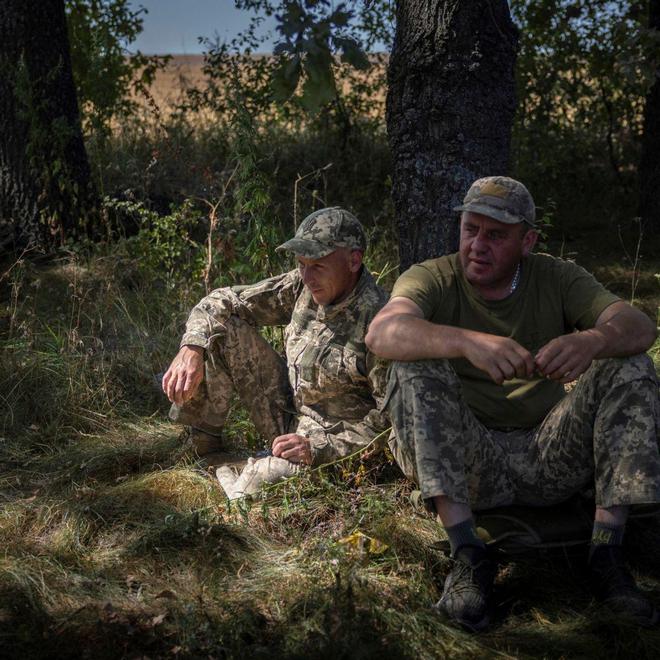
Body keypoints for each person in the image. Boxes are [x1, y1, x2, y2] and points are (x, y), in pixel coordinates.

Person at [365, 176, 660, 630]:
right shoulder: (433, 277)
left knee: (629, 363)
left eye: (496, 235)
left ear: (527, 241)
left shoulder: (556, 277)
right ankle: (466, 553)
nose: (478, 246)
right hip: (472, 464)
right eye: (471, 230)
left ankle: (607, 551)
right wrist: (465, 342)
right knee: (414, 365)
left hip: (547, 454)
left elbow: (640, 326)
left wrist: (593, 340)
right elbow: (382, 334)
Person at [162, 207, 389, 497]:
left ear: (354, 260)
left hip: (334, 452)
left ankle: (239, 478)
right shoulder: (302, 286)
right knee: (221, 329)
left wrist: (317, 449)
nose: (307, 276)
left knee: (256, 484)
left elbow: (389, 425)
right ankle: (203, 449)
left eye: (318, 265)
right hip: (290, 420)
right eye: (301, 264)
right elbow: (223, 300)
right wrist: (191, 347)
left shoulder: (382, 323)